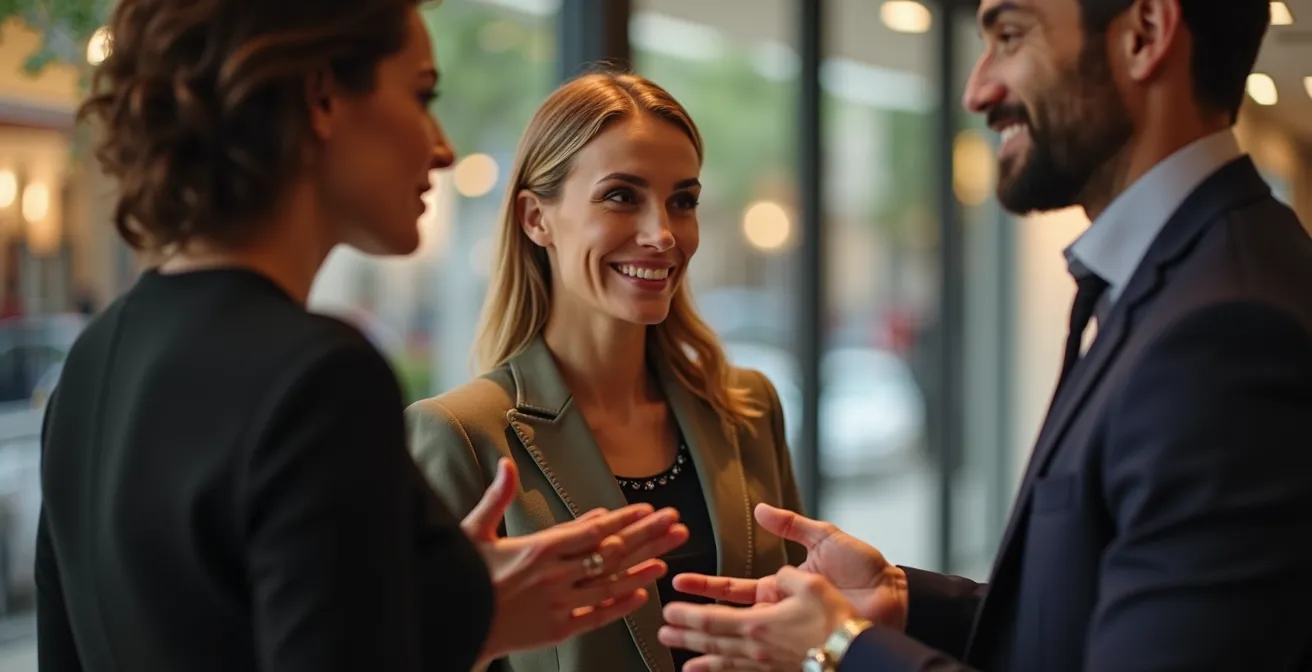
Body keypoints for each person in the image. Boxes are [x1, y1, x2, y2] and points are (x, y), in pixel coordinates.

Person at [657, 0, 1312, 670]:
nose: (977, 89)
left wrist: (838, 648)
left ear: (1144, 35)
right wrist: (903, 600)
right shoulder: (1183, 281)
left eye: (1010, 35)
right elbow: (1089, 616)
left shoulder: (1225, 331)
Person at [35, 1, 687, 670]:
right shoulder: (316, 378)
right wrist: (469, 622)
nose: (442, 146)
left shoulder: (92, 360)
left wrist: (425, 606)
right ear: (322, 97)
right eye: (421, 93)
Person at [406, 70, 806, 672]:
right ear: (535, 219)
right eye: (621, 196)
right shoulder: (459, 436)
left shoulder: (747, 408)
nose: (662, 235)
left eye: (683, 201)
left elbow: (798, 626)